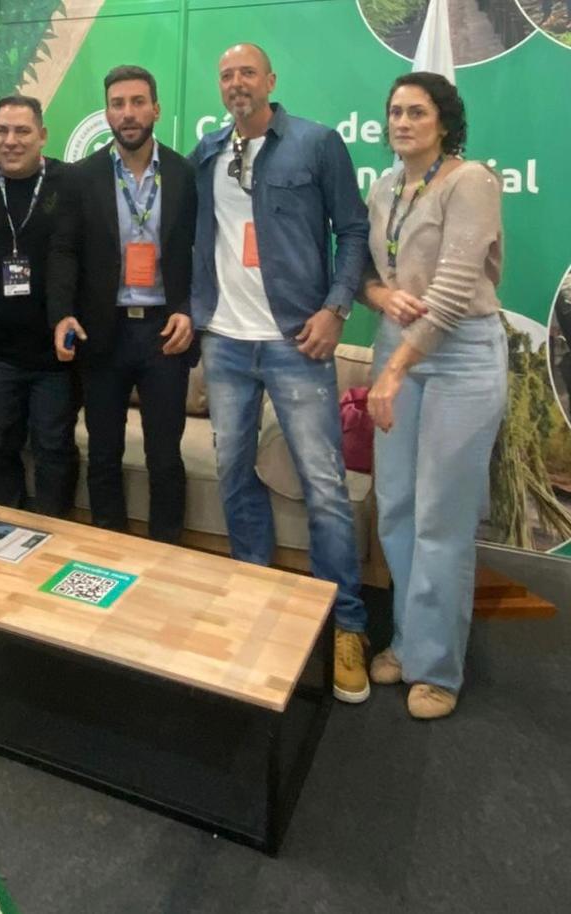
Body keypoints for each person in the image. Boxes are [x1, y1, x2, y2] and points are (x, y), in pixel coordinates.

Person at [189, 43, 372, 703]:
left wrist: (335, 309)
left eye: (247, 72)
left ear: (270, 80)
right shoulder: (207, 152)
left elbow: (354, 232)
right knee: (234, 474)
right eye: (226, 74)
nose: (236, 82)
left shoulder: (316, 144)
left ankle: (345, 624)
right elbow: (195, 238)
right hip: (226, 343)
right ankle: (256, 598)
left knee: (324, 486)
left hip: (298, 339)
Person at [360, 72, 506, 719]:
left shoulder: (470, 181)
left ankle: (437, 668)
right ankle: (407, 640)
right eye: (395, 111)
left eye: (417, 112)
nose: (403, 122)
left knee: (442, 518)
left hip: (459, 356)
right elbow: (366, 273)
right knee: (396, 507)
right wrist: (381, 296)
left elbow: (451, 291)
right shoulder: (384, 188)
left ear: (444, 122)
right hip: (397, 348)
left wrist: (394, 371)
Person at [49, 65, 196, 543]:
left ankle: (166, 551)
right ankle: (107, 547)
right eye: (118, 104)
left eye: (137, 102)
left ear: (156, 109)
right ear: (107, 113)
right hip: (103, 331)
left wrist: (189, 308)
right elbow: (64, 251)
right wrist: (62, 313)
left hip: (164, 332)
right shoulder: (81, 177)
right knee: (104, 451)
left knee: (165, 455)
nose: (128, 113)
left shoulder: (184, 173)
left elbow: (200, 251)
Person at [0, 96, 78, 516]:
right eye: (2, 131)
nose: (11, 141)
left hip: (54, 353)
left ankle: (56, 532)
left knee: (54, 448)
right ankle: (8, 527)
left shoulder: (69, 183)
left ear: (42, 135)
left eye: (22, 131)